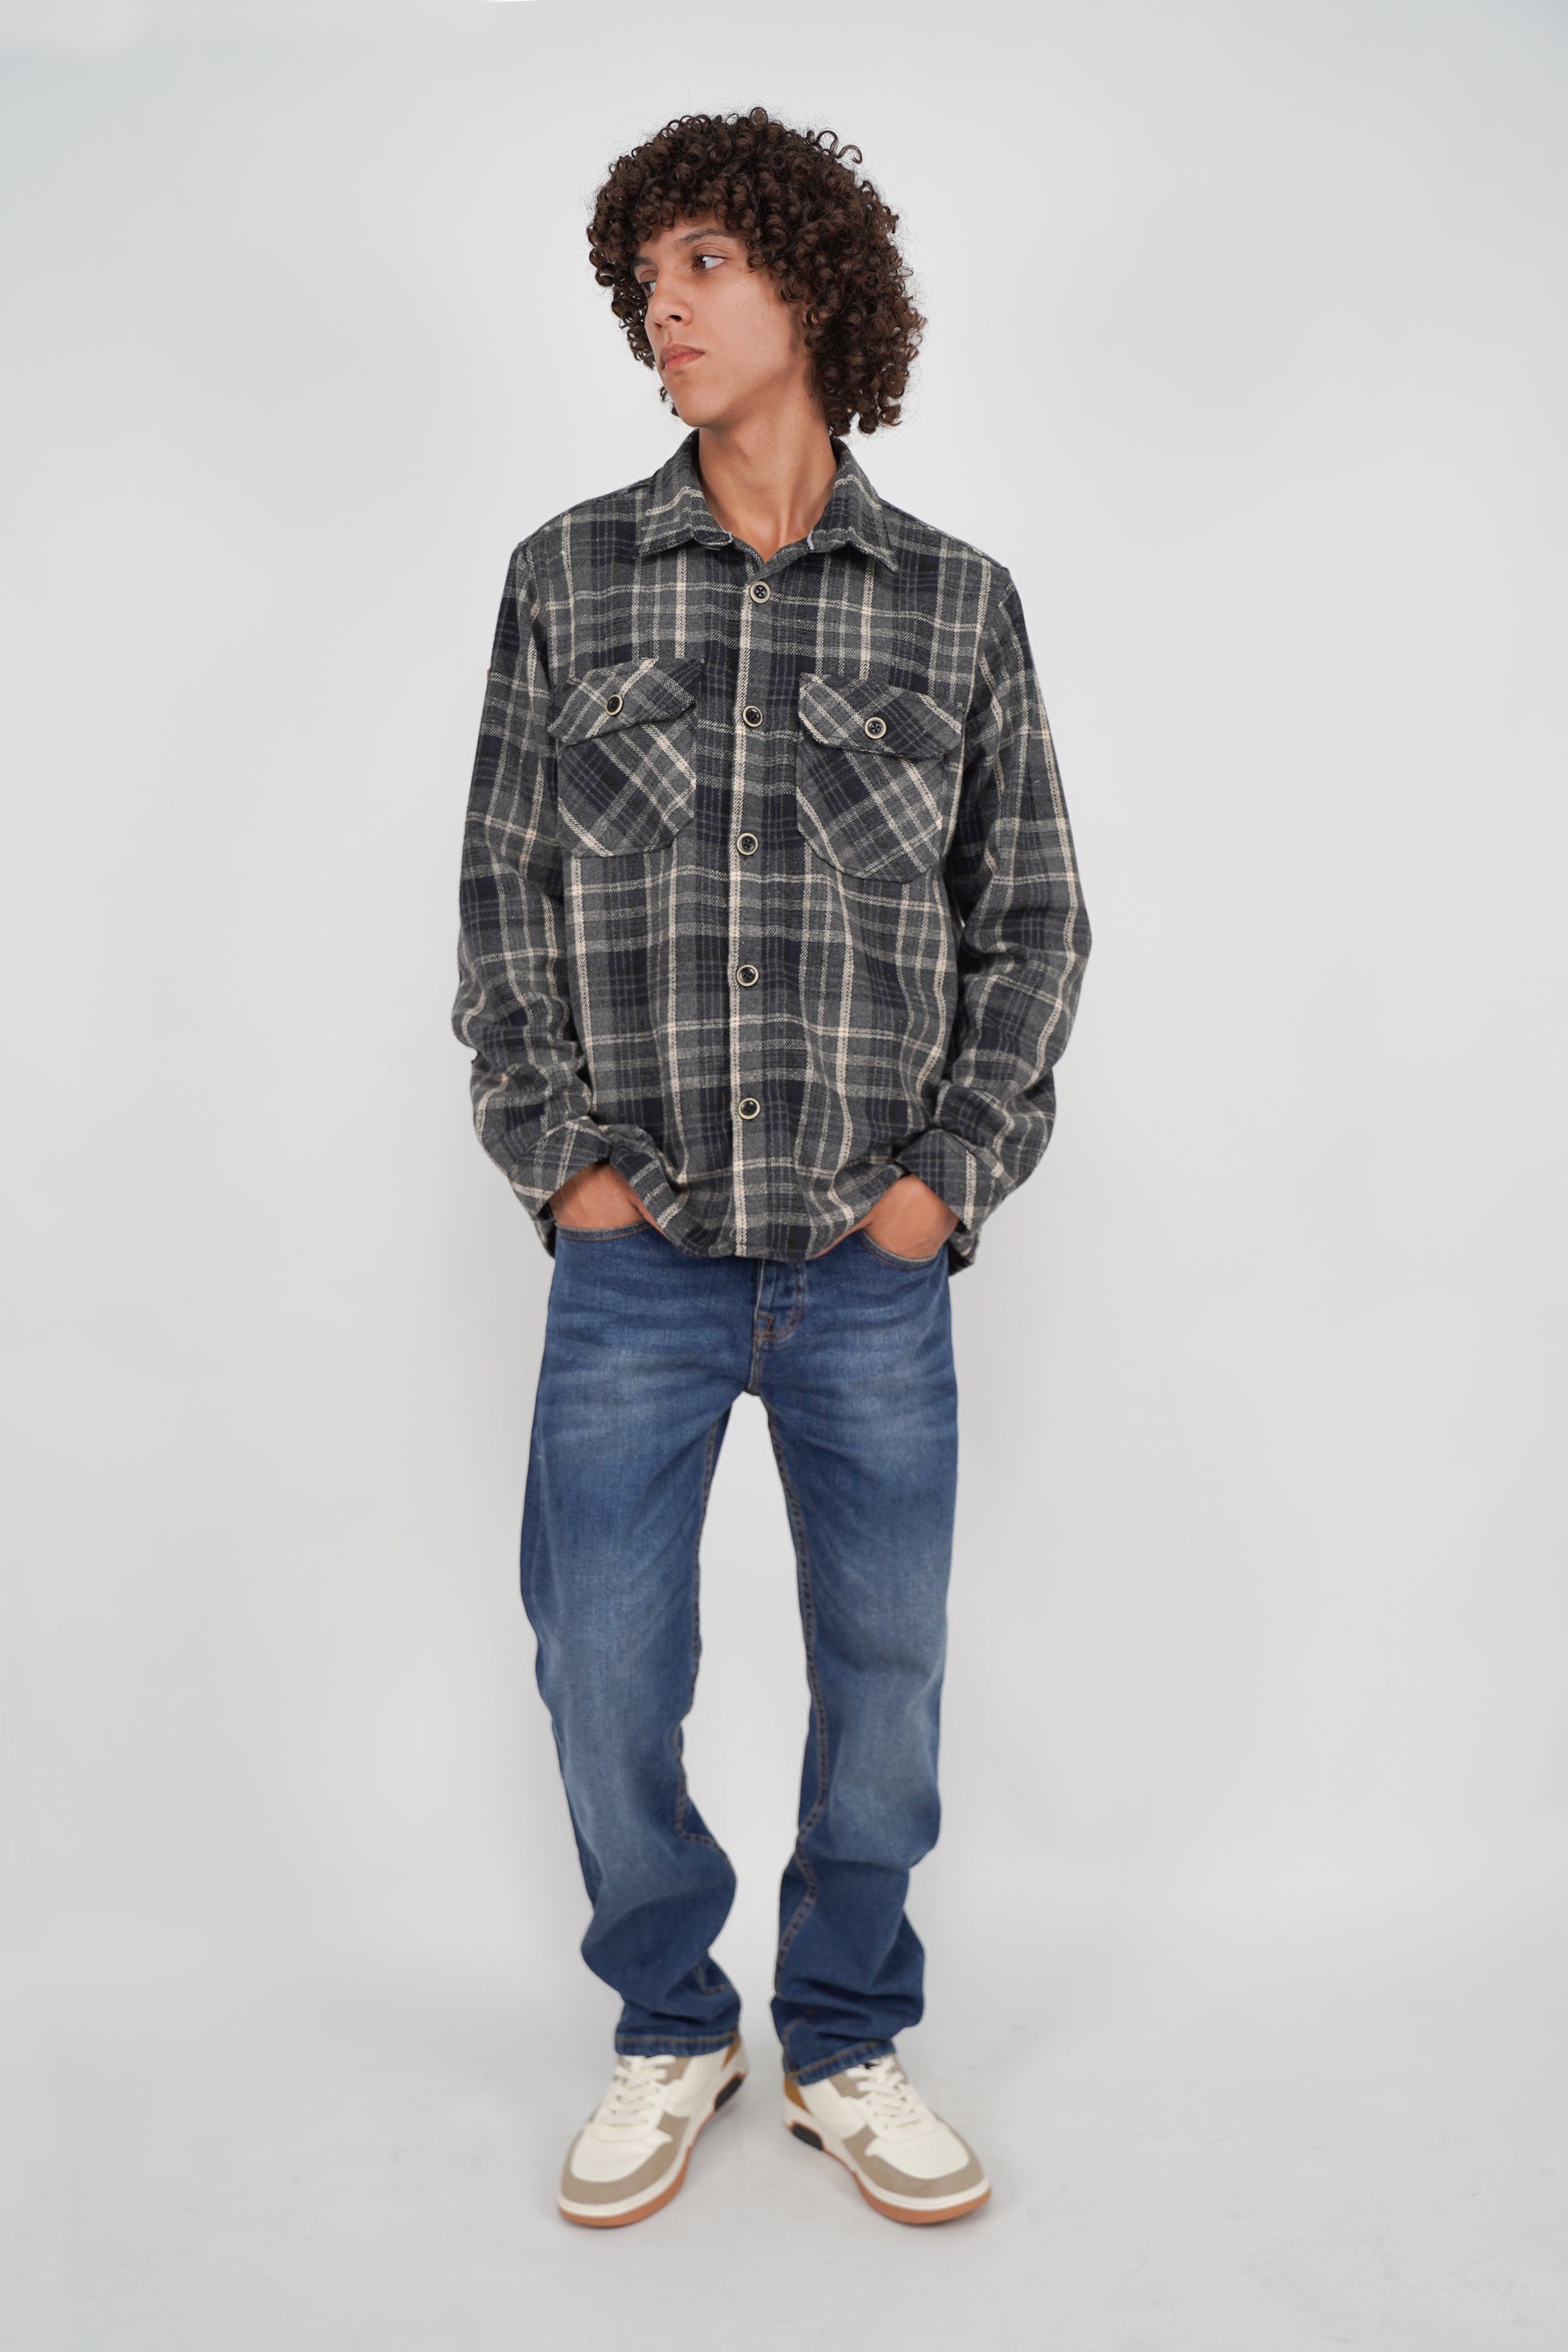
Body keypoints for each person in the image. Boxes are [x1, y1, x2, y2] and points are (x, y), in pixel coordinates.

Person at [451, 105, 1090, 2230]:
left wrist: (943, 1181)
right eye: (644, 279)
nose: (665, 310)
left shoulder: (955, 606)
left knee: (886, 1683)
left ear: (812, 283)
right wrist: (566, 1169)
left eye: (705, 264)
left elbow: (1032, 921)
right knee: (602, 1669)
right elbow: (501, 908)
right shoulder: (565, 576)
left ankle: (841, 2033)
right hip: (631, 1257)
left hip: (867, 1259)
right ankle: (670, 2018)